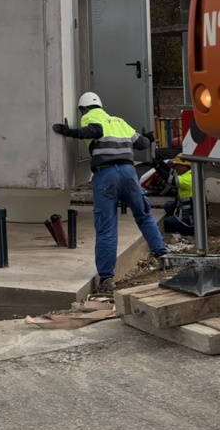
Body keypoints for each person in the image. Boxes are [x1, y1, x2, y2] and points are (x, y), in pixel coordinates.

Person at [53, 92, 168, 294]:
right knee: (143, 215)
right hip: (128, 173)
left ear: (82, 109)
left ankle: (107, 278)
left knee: (106, 226)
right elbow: (141, 143)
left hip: (106, 175)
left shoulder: (89, 117)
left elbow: (94, 131)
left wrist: (69, 132)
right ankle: (162, 255)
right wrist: (148, 137)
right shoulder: (119, 121)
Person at [153, 154, 197, 235]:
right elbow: (171, 172)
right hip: (186, 208)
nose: (175, 167)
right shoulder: (187, 173)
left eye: (177, 165)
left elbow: (171, 180)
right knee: (168, 206)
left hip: (191, 214)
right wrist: (161, 163)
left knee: (168, 222)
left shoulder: (189, 178)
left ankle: (192, 230)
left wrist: (157, 168)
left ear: (184, 167)